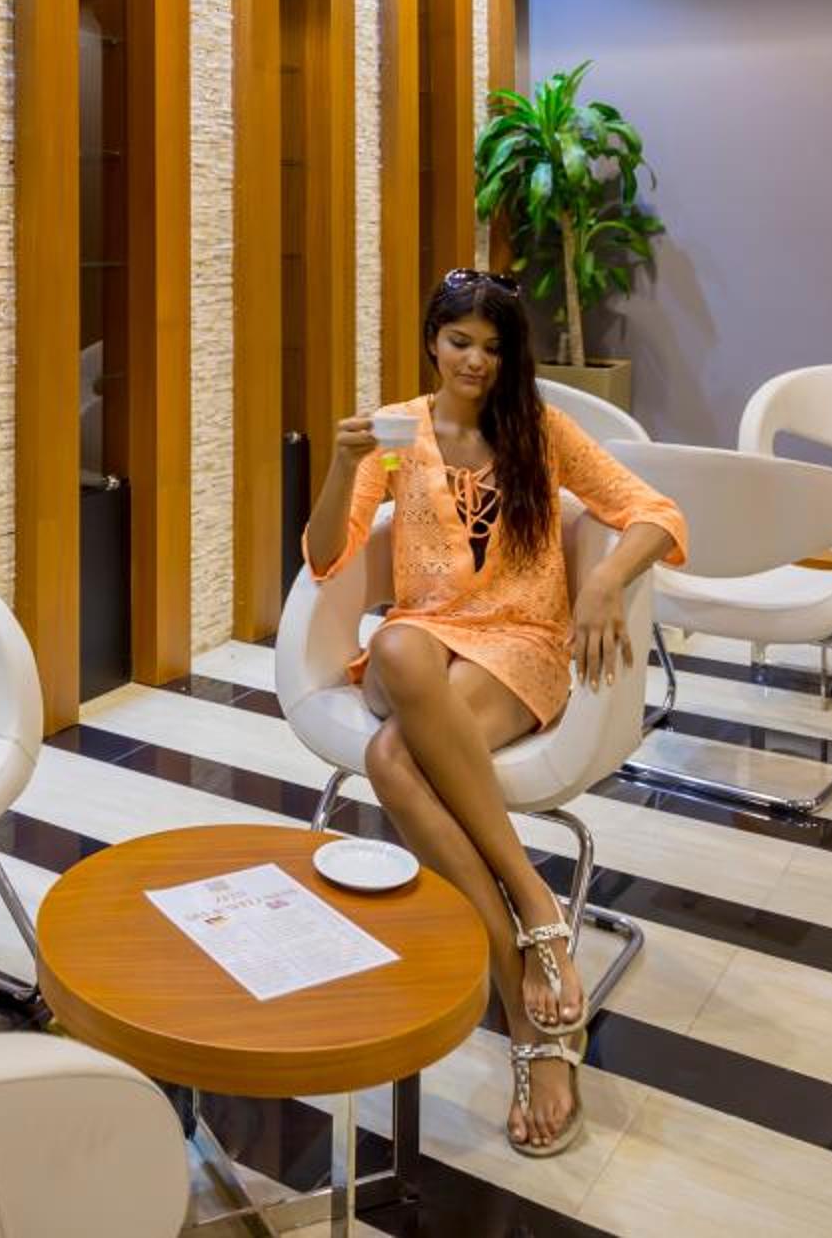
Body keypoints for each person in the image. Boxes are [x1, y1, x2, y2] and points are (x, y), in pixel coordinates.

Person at [303, 268, 685, 1157]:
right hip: (423, 645)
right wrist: (343, 463)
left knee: (393, 760)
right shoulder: (395, 435)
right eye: (459, 342)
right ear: (431, 344)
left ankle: (520, 1000)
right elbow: (326, 558)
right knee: (401, 647)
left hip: (518, 646)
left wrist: (602, 579)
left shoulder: (538, 431)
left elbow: (655, 514)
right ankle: (535, 902)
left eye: (494, 346)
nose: (475, 361)